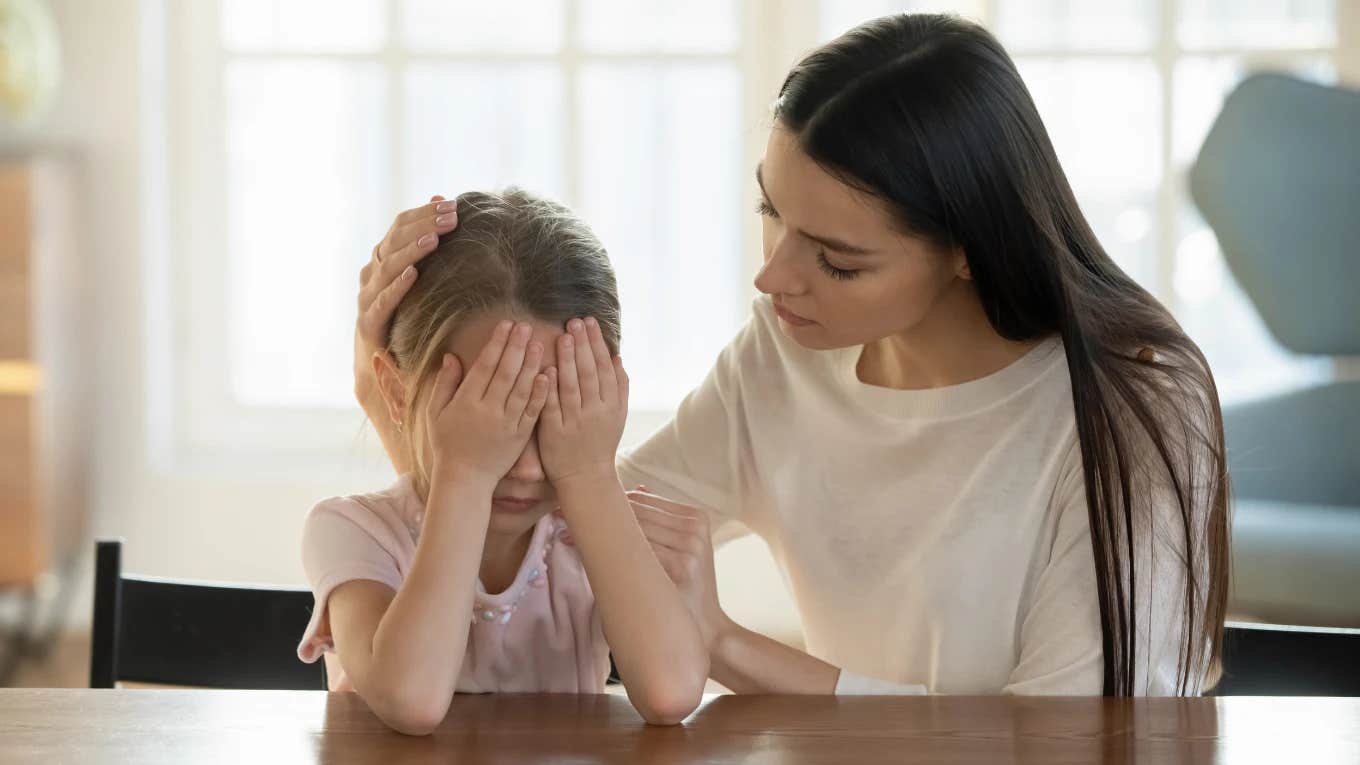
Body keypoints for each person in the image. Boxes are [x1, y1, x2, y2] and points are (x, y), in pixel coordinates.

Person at [354, 14, 1229, 698]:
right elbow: (552, 521)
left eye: (836, 259)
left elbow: (1069, 740)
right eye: (770, 210)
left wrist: (730, 646)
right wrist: (387, 386)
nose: (773, 276)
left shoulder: (1137, 406)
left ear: (968, 246)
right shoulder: (790, 354)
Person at [300, 189, 708, 736]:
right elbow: (412, 701)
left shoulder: (587, 529)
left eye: (555, 417)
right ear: (396, 394)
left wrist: (588, 474)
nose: (528, 469)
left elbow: (672, 692)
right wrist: (464, 474)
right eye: (490, 421)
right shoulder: (354, 532)